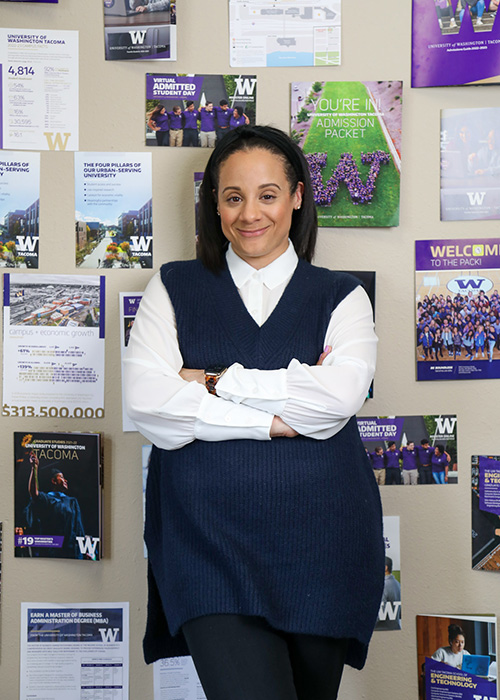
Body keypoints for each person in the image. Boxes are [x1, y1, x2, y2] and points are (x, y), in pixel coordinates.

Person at [124, 125, 384, 700]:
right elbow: (148, 402)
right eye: (232, 196)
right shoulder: (172, 287)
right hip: (206, 544)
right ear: (213, 203)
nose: (249, 214)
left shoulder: (343, 296)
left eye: (268, 194)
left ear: (296, 197)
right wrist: (274, 418)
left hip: (324, 543)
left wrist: (216, 382)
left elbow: (336, 401)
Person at [25, 453, 86, 559]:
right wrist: (34, 468)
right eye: (61, 477)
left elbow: (79, 527)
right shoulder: (47, 499)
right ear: (53, 481)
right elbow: (33, 492)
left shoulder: (72, 502)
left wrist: (85, 549)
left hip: (72, 551)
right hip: (53, 550)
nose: (65, 480)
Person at [375, 557, 401, 631]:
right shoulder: (397, 584)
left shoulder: (383, 586)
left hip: (382, 630)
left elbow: (379, 614)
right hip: (394, 628)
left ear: (385, 568)